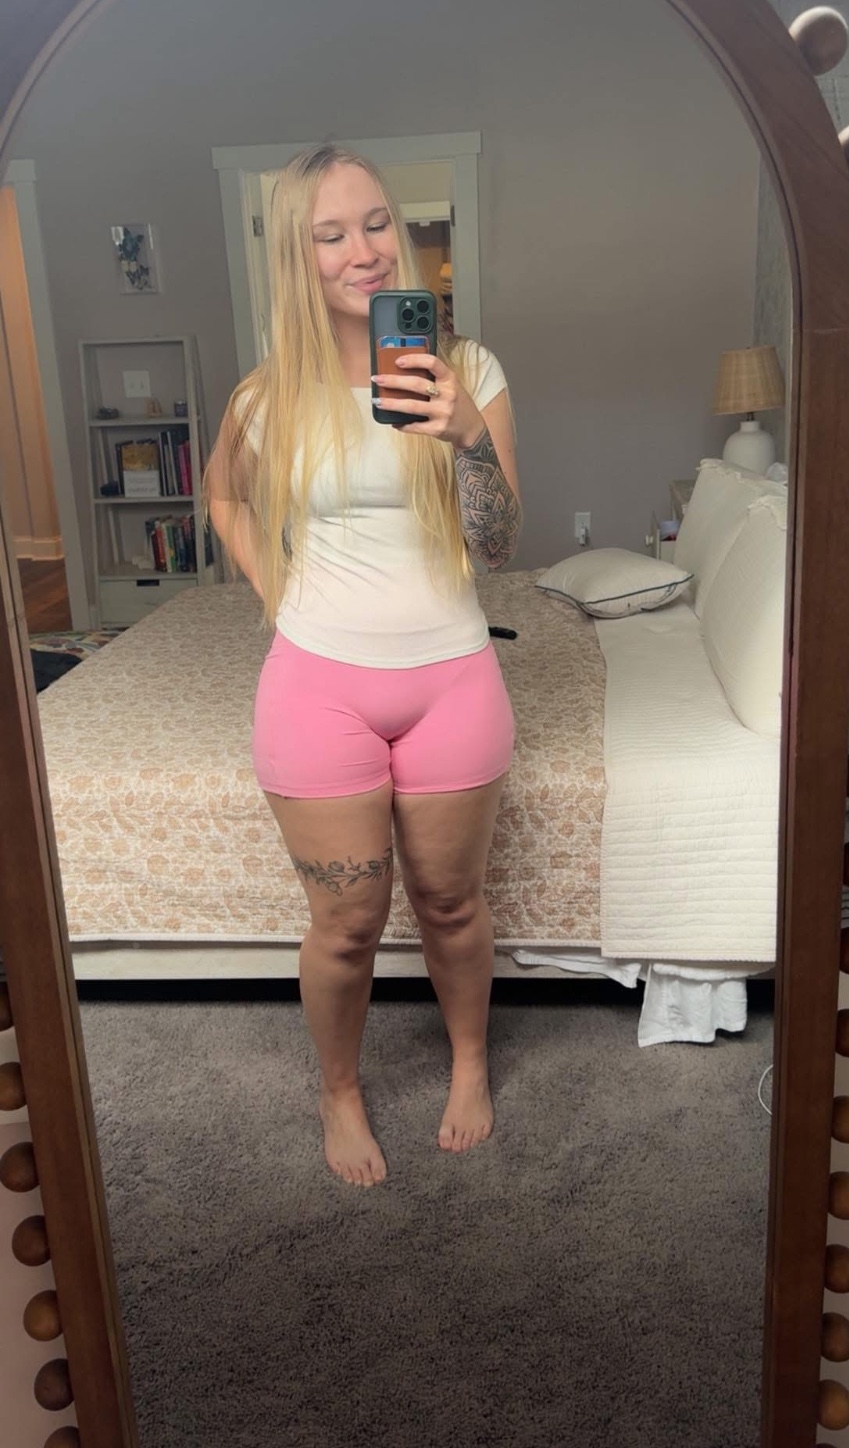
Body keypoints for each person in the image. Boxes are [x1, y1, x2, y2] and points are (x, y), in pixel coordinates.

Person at [205, 145, 523, 1187]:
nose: (364, 250)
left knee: (451, 904)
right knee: (344, 924)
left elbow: (498, 546)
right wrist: (277, 589)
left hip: (452, 676)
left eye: (376, 222)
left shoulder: (470, 370)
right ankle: (338, 1092)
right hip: (319, 683)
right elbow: (225, 496)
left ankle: (469, 1063)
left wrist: (467, 437)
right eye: (331, 234)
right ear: (299, 258)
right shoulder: (268, 396)